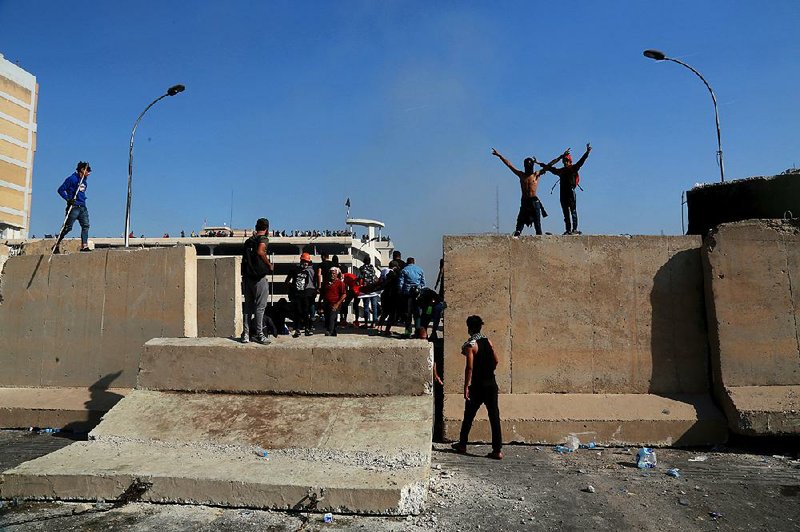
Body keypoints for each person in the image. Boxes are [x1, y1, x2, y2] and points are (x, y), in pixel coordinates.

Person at [451, 315, 503, 460]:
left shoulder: (471, 345)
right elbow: (496, 360)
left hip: (477, 386)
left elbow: (469, 368)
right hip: (491, 384)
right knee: (494, 417)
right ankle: (497, 450)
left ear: (469, 327)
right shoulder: (488, 341)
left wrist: (466, 386)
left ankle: (462, 444)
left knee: (468, 416)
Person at [491, 149, 562, 236]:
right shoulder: (521, 175)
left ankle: (539, 237)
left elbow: (549, 165)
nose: (528, 167)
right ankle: (517, 235)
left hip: (534, 201)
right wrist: (499, 156)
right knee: (520, 221)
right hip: (525, 201)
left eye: (529, 165)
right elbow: (509, 165)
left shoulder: (536, 175)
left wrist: (560, 157)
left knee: (537, 223)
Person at [537, 143, 592, 235]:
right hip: (563, 194)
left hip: (571, 193)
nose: (565, 162)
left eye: (567, 160)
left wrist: (587, 152)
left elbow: (581, 161)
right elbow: (549, 168)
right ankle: (568, 230)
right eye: (564, 161)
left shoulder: (573, 168)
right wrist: (539, 163)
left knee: (573, 211)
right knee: (565, 213)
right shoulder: (561, 171)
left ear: (570, 161)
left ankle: (574, 229)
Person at [240, 218, 273, 344]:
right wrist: (269, 264)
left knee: (248, 307)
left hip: (247, 277)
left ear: (256, 226)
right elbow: (260, 251)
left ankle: (246, 335)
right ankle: (259, 334)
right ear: (267, 228)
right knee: (260, 307)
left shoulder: (248, 241)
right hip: (259, 278)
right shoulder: (263, 239)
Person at [56, 161, 92, 252]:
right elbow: (60, 190)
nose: (89, 173)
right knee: (68, 227)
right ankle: (57, 244)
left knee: (86, 225)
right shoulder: (72, 179)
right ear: (82, 170)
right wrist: (68, 199)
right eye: (87, 171)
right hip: (74, 207)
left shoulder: (84, 181)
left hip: (82, 207)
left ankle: (84, 246)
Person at [285, 252, 317, 337]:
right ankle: (297, 329)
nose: (306, 263)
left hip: (304, 295)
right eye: (304, 261)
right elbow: (287, 280)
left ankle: (307, 329)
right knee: (297, 312)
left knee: (306, 312)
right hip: (296, 295)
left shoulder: (307, 272)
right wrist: (289, 289)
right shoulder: (294, 269)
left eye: (307, 262)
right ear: (301, 261)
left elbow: (307, 283)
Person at [398, 257, 425, 337]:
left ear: (407, 262)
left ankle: (407, 332)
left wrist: (400, 292)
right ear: (414, 262)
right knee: (417, 314)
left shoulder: (404, 270)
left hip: (407, 294)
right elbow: (423, 283)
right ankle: (417, 332)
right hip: (417, 294)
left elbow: (400, 283)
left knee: (407, 314)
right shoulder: (420, 270)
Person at [321, 266, 347, 336]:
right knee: (328, 318)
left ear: (336, 274)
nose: (332, 275)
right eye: (331, 273)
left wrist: (337, 304)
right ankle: (333, 331)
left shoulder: (340, 283)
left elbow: (344, 294)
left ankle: (330, 331)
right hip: (326, 304)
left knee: (332, 317)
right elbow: (322, 293)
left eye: (334, 274)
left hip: (335, 303)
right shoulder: (326, 283)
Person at [357, 256, 380, 328]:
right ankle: (374, 323)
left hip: (366, 289)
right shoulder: (372, 268)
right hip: (373, 288)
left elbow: (360, 277)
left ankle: (366, 323)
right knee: (374, 306)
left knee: (366, 306)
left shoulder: (362, 268)